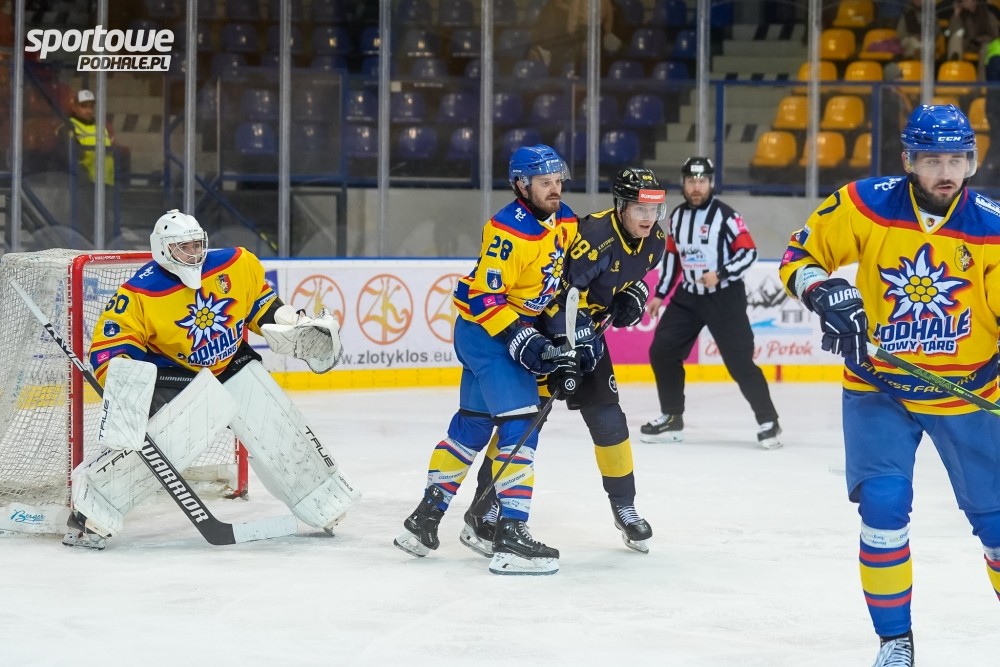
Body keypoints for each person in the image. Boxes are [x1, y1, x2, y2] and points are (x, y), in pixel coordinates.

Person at [778, 104, 1000, 665]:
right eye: (932, 160)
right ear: (908, 161)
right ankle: (895, 641)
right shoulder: (865, 203)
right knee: (882, 506)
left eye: (956, 160)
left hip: (967, 393)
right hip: (880, 387)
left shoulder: (993, 226)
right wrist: (822, 291)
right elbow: (799, 256)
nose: (946, 172)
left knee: (996, 524)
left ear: (972, 161)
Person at [63, 210, 359, 549]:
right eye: (183, 247)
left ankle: (322, 498)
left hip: (230, 362)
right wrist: (125, 381)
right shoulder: (139, 293)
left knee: (277, 423)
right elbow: (109, 347)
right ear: (163, 249)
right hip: (178, 376)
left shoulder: (235, 263)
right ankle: (92, 509)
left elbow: (259, 303)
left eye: (197, 245)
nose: (193, 254)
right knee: (170, 440)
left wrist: (292, 321)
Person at [393, 145, 581, 575]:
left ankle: (424, 521)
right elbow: (483, 297)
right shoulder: (506, 230)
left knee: (473, 427)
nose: (555, 189)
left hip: (496, 331)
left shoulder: (565, 219)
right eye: (545, 183)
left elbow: (565, 276)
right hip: (487, 333)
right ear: (522, 185)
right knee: (522, 426)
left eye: (558, 181)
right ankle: (511, 536)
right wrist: (522, 339)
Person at [461, 167, 666, 556]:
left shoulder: (655, 239)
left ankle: (624, 505)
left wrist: (634, 293)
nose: (648, 218)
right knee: (526, 424)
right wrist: (572, 337)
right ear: (621, 206)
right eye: (640, 208)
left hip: (588, 338)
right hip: (547, 338)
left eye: (654, 210)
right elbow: (554, 291)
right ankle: (484, 508)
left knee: (609, 420)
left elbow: (632, 275)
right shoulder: (594, 239)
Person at [640, 157, 781, 449]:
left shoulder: (726, 216)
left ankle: (769, 421)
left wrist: (721, 273)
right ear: (683, 183)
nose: (696, 187)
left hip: (724, 297)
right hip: (689, 296)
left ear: (711, 183)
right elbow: (673, 258)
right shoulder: (676, 217)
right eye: (691, 181)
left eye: (702, 181)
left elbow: (749, 252)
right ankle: (672, 417)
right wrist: (660, 294)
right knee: (662, 350)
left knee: (739, 362)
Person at [945, 0, 998, 64]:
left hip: (982, 44)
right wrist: (956, 14)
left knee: (986, 48)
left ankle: (983, 70)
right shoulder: (961, 14)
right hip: (966, 44)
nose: (964, 1)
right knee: (955, 38)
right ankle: (954, 66)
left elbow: (995, 35)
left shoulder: (987, 15)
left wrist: (982, 39)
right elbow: (953, 30)